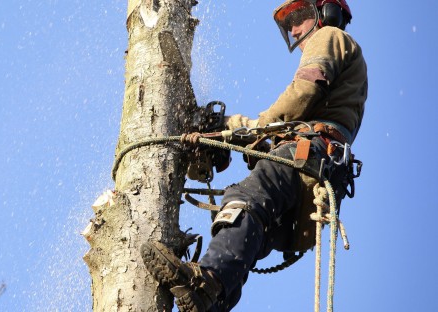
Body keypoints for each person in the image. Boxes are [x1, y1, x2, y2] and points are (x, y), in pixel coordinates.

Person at [140, 0, 368, 311]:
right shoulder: (348, 73)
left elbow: (302, 93)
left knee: (243, 199)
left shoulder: (329, 37)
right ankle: (215, 300)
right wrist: (231, 135)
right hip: (316, 181)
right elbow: (285, 126)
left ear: (326, 12)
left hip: (309, 154)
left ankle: (205, 283)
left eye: (300, 18)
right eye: (289, 25)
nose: (295, 29)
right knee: (253, 233)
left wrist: (251, 130)